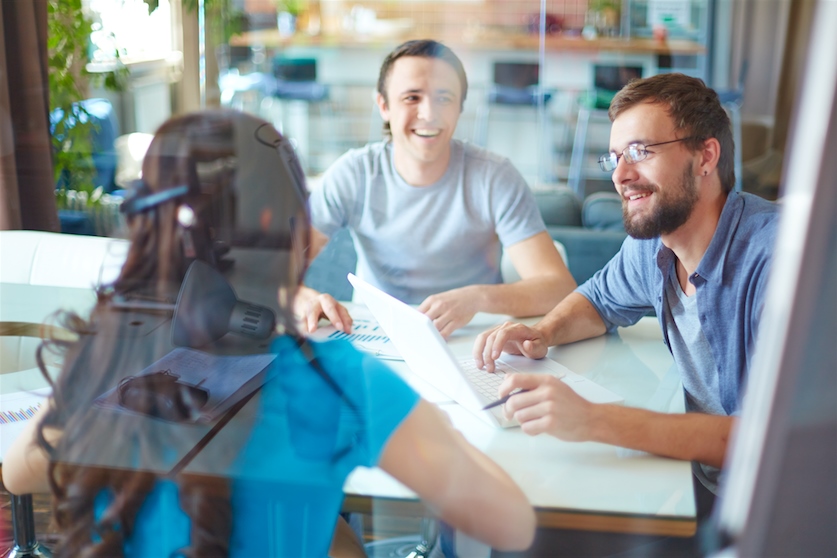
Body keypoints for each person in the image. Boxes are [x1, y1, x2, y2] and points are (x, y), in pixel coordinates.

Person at [1, 110, 536, 556]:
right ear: (290, 237)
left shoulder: (106, 353)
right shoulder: (341, 382)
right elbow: (513, 525)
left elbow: (17, 475)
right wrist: (436, 430)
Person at [473, 73, 779, 509]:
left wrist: (594, 419)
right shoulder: (655, 244)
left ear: (705, 155)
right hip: (694, 482)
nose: (621, 175)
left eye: (640, 152)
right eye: (614, 157)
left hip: (760, 511)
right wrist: (541, 333)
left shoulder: (777, 261)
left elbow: (763, 440)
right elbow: (597, 301)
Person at [296, 39, 575, 338]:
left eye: (444, 98)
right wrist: (306, 300)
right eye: (412, 97)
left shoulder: (495, 177)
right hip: (375, 335)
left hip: (473, 339)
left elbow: (559, 288)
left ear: (460, 107)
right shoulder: (353, 174)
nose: (429, 113)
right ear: (384, 106)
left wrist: (478, 297)